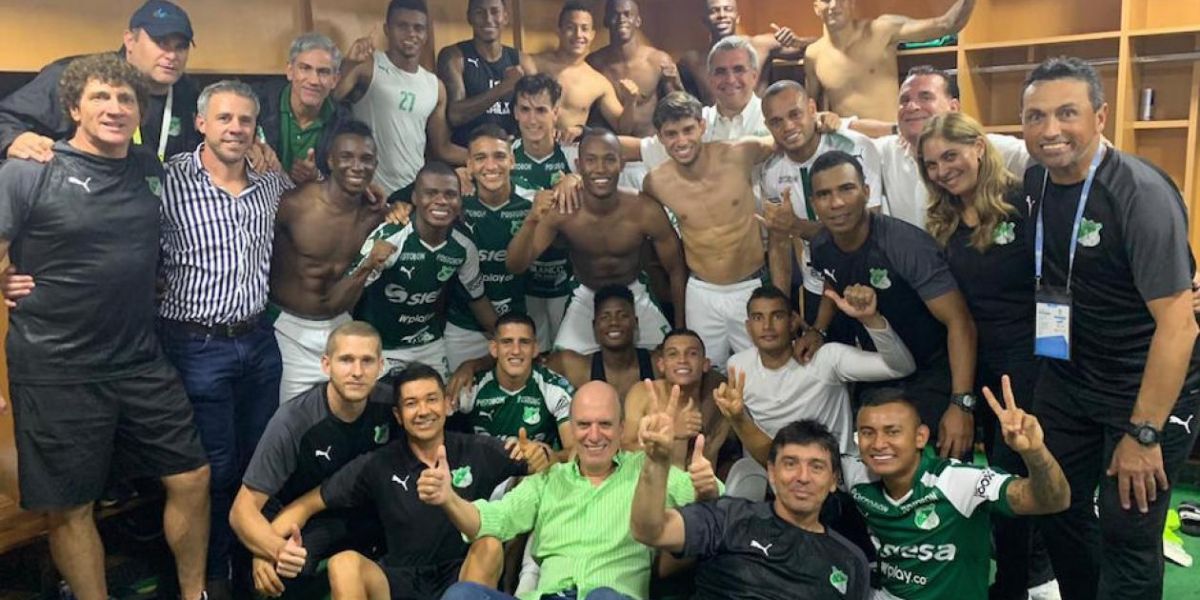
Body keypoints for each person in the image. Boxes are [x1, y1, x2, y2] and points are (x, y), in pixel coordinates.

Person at [0, 52, 211, 600]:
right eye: (100, 96)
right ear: (73, 106)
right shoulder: (29, 170)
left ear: (140, 110)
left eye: (125, 99)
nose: (114, 108)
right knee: (71, 507)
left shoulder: (148, 169)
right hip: (56, 368)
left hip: (140, 359)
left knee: (191, 477)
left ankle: (195, 595)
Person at [1020, 57, 1200, 600]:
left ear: (1100, 116)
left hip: (1144, 389)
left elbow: (1178, 324)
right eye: (1035, 116)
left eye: (1067, 113)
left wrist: (1145, 434)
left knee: (1128, 530)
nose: (1051, 130)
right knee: (1058, 505)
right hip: (1070, 379)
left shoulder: (1139, 194)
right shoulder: (1036, 181)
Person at [916, 111, 1056, 599]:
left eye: (950, 156)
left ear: (978, 146)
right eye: (931, 163)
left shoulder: (1025, 201)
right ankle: (1017, 577)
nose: (941, 170)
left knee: (1018, 469)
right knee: (994, 474)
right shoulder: (944, 219)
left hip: (1034, 360)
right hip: (979, 361)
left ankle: (1027, 582)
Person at [158, 79, 292, 591]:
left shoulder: (270, 185)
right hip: (196, 345)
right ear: (201, 124)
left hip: (258, 340)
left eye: (245, 120)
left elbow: (312, 210)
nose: (235, 128)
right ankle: (211, 577)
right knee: (212, 470)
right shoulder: (169, 180)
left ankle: (250, 565)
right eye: (225, 118)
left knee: (259, 463)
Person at [266, 363, 544, 599]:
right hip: (399, 579)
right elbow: (307, 505)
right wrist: (265, 552)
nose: (423, 411)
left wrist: (539, 454)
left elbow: (546, 461)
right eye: (411, 403)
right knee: (343, 563)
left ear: (448, 405)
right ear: (398, 416)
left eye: (432, 399)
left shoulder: (478, 449)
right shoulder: (377, 463)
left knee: (489, 544)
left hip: (460, 574)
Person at [427, 380, 722, 600]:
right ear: (571, 430)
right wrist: (448, 498)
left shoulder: (650, 470)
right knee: (462, 594)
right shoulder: (548, 480)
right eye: (583, 424)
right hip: (548, 596)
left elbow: (722, 508)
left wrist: (705, 487)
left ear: (622, 429)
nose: (594, 435)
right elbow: (488, 520)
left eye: (604, 424)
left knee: (602, 597)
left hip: (611, 597)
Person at [805, 151, 979, 460]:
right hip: (878, 372)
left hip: (932, 372)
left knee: (941, 481)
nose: (836, 203)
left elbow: (959, 322)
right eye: (824, 194)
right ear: (814, 203)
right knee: (882, 477)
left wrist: (961, 402)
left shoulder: (904, 246)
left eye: (846, 189)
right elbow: (831, 282)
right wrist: (818, 329)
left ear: (866, 192)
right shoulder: (821, 245)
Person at [843, 381, 1071, 600]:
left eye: (892, 432)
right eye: (867, 432)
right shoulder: (857, 476)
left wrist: (1035, 452)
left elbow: (1053, 501)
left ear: (920, 437)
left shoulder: (958, 481)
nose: (878, 443)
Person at [229, 322, 396, 598]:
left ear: (381, 366)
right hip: (302, 519)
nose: (357, 372)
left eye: (366, 361)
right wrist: (270, 549)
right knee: (286, 573)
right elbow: (241, 512)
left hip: (365, 510)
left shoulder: (393, 404)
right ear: (326, 365)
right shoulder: (293, 420)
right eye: (346, 360)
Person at [631, 417, 871, 600]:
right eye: (790, 464)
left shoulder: (850, 560)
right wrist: (656, 463)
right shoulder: (730, 517)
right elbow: (650, 531)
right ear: (772, 473)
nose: (803, 477)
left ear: (833, 481)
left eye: (816, 467)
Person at [723, 284, 914, 500]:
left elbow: (900, 366)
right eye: (758, 318)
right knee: (740, 478)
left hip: (835, 478)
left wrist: (871, 319)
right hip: (776, 478)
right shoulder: (737, 366)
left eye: (776, 316)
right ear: (748, 327)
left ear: (793, 321)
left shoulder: (825, 359)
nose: (767, 326)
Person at [507, 128, 685, 355]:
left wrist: (680, 326)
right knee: (562, 366)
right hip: (585, 294)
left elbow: (676, 268)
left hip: (635, 292)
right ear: (578, 165)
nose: (600, 168)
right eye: (591, 160)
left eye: (609, 159)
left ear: (621, 163)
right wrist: (532, 220)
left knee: (671, 357)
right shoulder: (563, 209)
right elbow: (515, 265)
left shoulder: (644, 209)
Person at [641, 91, 775, 367]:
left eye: (688, 130)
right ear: (660, 137)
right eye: (671, 134)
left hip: (750, 284)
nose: (681, 141)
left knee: (763, 369)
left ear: (702, 125)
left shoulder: (740, 152)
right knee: (701, 373)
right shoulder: (656, 183)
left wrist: (824, 121)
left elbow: (785, 139)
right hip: (701, 291)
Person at [346, 161, 497, 379]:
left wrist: (506, 338)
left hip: (428, 344)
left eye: (450, 194)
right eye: (431, 193)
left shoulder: (463, 246)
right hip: (380, 345)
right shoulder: (391, 236)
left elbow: (478, 299)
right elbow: (350, 295)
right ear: (415, 198)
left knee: (448, 406)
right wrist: (369, 265)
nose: (441, 201)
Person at [269, 120, 385, 403]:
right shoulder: (295, 203)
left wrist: (401, 209)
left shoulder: (377, 216)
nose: (357, 166)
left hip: (342, 328)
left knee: (345, 418)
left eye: (366, 159)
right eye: (347, 157)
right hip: (289, 331)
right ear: (330, 161)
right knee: (289, 423)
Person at [0, 0, 200, 163]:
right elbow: (5, 118)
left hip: (156, 202)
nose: (172, 55)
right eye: (161, 43)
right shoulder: (78, 77)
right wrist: (15, 139)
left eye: (181, 47)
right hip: (78, 199)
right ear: (130, 40)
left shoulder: (188, 93)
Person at [837, 66, 1030, 228]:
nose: (912, 106)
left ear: (953, 108)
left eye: (925, 97)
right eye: (904, 100)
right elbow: (839, 139)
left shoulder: (987, 146)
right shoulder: (882, 152)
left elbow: (1043, 156)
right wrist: (840, 123)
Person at [755, 79, 883, 322]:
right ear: (767, 126)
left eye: (795, 114)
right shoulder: (770, 170)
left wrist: (798, 227)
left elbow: (870, 226)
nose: (788, 126)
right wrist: (781, 306)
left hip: (868, 281)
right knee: (823, 355)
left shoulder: (855, 146)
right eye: (776, 121)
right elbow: (779, 243)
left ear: (812, 109)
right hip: (815, 285)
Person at [336, 0, 466, 196]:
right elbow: (331, 98)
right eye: (402, 26)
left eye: (418, 28)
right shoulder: (368, 66)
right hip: (370, 191)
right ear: (387, 29)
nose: (411, 34)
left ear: (426, 34)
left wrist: (484, 156)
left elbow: (441, 148)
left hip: (414, 192)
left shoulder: (435, 86)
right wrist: (348, 64)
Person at [444, 125, 532, 372]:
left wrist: (573, 178)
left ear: (512, 160)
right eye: (481, 158)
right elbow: (415, 195)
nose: (491, 166)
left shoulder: (532, 201)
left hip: (517, 324)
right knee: (458, 400)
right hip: (463, 327)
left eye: (500, 156)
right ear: (469, 165)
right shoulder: (453, 201)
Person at [803, 0, 976, 122]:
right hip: (849, 148)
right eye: (826, 0)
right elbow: (810, 112)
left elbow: (947, 24)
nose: (834, 5)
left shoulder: (882, 29)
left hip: (892, 139)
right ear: (816, 7)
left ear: (852, 3)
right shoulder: (813, 55)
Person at [509, 74, 578, 349]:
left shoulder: (574, 155)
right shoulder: (503, 158)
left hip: (568, 283)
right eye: (525, 110)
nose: (533, 120)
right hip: (521, 285)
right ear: (515, 112)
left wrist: (577, 179)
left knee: (567, 361)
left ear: (556, 112)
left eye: (541, 110)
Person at [634, 37, 770, 173]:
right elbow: (639, 149)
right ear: (710, 79)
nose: (730, 79)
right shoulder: (695, 123)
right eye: (720, 72)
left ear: (754, 76)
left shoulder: (774, 118)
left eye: (738, 69)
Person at [458, 313, 575, 454]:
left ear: (535, 348)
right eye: (507, 342)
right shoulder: (471, 387)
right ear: (494, 349)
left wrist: (547, 458)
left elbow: (574, 452)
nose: (516, 350)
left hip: (537, 473)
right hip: (485, 473)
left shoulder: (555, 388)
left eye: (524, 342)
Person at [621, 329, 732, 472]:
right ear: (661, 364)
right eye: (673, 354)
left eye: (692, 353)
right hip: (647, 486)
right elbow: (624, 448)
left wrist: (737, 416)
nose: (682, 360)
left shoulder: (719, 402)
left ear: (705, 364)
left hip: (699, 489)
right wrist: (671, 432)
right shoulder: (644, 392)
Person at [253, 32, 352, 184]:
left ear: (335, 80)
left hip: (312, 204)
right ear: (290, 71)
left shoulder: (345, 124)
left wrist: (316, 177)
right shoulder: (257, 101)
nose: (314, 81)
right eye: (305, 68)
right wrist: (247, 143)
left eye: (323, 72)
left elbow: (346, 181)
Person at [438, 0, 538, 146]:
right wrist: (503, 87)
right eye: (480, 12)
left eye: (494, 12)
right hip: (467, 156)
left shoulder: (522, 61)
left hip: (511, 155)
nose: (488, 19)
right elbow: (455, 116)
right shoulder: (455, 56)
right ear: (469, 17)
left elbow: (538, 112)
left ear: (505, 17)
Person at [530, 1, 634, 133]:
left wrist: (631, 102)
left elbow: (622, 128)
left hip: (571, 149)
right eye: (570, 28)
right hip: (531, 146)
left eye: (584, 29)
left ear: (592, 35)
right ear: (559, 31)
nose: (578, 35)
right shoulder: (533, 64)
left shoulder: (597, 82)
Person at [676, 0, 807, 105]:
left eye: (728, 9)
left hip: (759, 127)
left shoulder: (760, 46)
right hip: (717, 129)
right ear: (704, 20)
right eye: (714, 11)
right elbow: (685, 103)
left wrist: (797, 41)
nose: (722, 15)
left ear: (737, 17)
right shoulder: (692, 60)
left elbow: (816, 47)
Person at [587, 0, 683, 138]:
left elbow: (680, 110)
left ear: (638, 21)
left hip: (649, 145)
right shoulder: (594, 64)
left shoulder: (657, 61)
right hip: (610, 149)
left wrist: (677, 83)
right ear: (606, 21)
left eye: (627, 14)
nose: (621, 19)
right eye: (615, 14)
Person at [544, 285, 659, 399]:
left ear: (636, 323)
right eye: (605, 317)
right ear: (594, 326)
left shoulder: (657, 364)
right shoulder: (575, 368)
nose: (614, 322)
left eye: (623, 315)